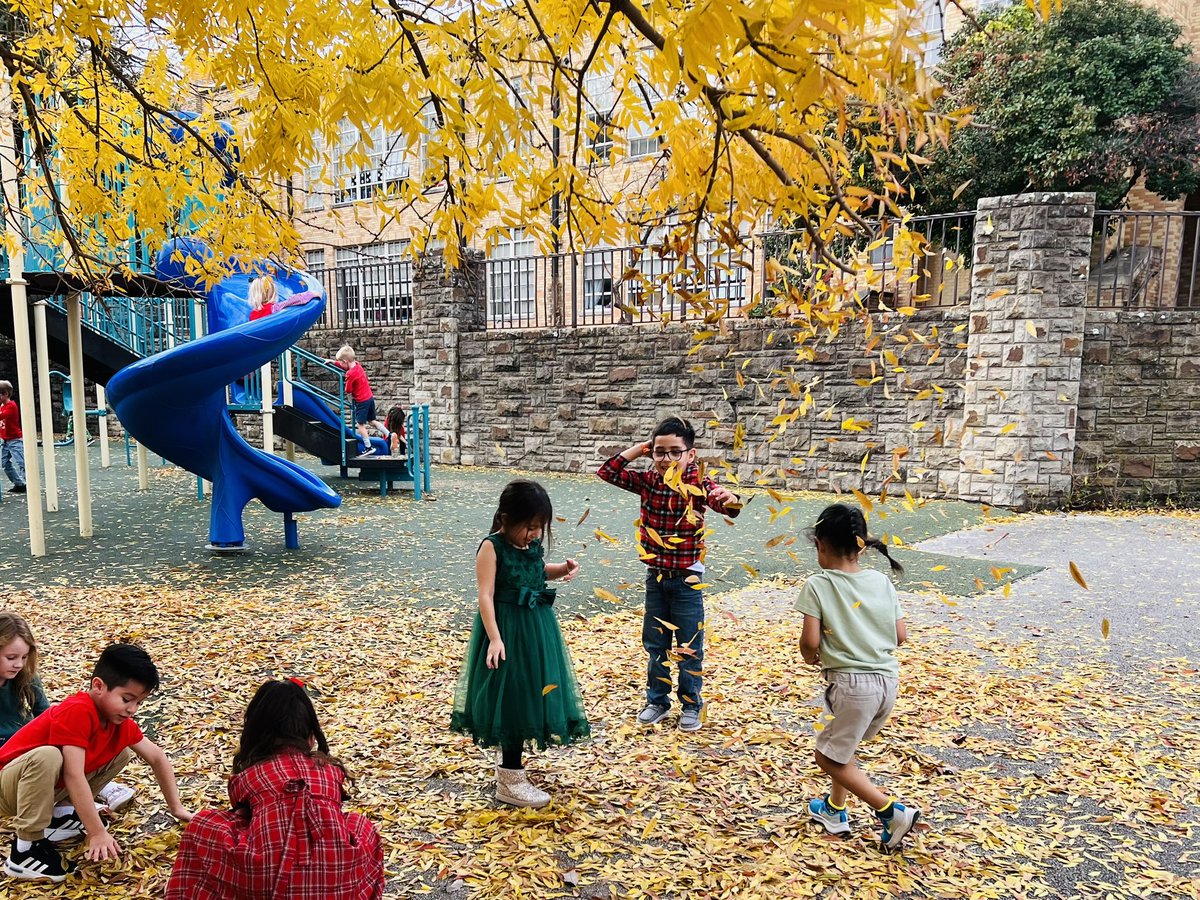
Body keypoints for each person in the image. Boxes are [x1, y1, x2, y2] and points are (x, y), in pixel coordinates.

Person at [166, 679, 384, 900]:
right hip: (338, 878)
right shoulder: (329, 770)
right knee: (361, 825)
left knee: (203, 825)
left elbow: (240, 814)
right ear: (311, 735)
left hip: (264, 879)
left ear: (255, 733)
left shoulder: (251, 774)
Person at [0, 643, 192, 883]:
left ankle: (57, 817)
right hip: (8, 787)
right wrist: (97, 832)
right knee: (49, 755)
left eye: (139, 703)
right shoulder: (77, 710)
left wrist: (176, 808)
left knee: (121, 752)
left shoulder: (116, 721)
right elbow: (73, 774)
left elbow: (157, 757)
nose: (132, 710)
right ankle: (25, 849)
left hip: (36, 790)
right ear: (99, 686)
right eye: (127, 699)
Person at [450, 480, 589, 808]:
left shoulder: (530, 546)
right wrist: (495, 638)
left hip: (536, 628)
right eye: (529, 526)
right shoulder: (492, 547)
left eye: (539, 527)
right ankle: (510, 780)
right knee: (512, 696)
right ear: (505, 518)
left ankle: (514, 772)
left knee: (530, 691)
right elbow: (485, 595)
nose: (535, 534)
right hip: (507, 630)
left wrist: (563, 568)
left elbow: (538, 572)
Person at [597, 416, 741, 732]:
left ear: (691, 454)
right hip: (657, 577)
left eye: (676, 452)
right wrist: (641, 448)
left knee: (689, 646)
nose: (667, 459)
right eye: (660, 452)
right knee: (655, 644)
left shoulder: (699, 482)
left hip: (688, 579)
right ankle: (657, 701)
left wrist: (730, 500)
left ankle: (691, 705)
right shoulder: (648, 480)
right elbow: (607, 471)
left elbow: (725, 503)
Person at [797, 502, 921, 854]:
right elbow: (900, 635)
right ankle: (834, 810)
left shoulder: (818, 585)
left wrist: (809, 655)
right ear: (861, 545)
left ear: (820, 544)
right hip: (887, 682)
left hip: (851, 686)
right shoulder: (880, 581)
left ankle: (891, 811)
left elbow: (810, 641)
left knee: (827, 758)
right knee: (844, 746)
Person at [0, 614, 135, 813]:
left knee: (83, 744)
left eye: (24, 657)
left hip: (34, 747)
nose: (19, 664)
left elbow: (47, 714)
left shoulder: (26, 676)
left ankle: (70, 804)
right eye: (11, 658)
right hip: (12, 761)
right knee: (51, 756)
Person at [329, 346, 387, 455]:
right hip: (369, 398)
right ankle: (389, 434)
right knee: (372, 421)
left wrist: (346, 384)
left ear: (345, 361)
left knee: (360, 425)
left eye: (340, 362)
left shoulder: (350, 374)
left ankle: (368, 447)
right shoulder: (358, 365)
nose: (340, 364)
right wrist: (333, 362)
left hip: (362, 401)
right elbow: (345, 365)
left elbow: (348, 390)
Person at [0, 381, 26, 495]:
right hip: (5, 439)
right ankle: (19, 484)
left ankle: (28, 483)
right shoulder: (2, 405)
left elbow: (2, 416)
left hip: (15, 439)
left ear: (5, 394)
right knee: (4, 463)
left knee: (22, 462)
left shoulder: (11, 406)